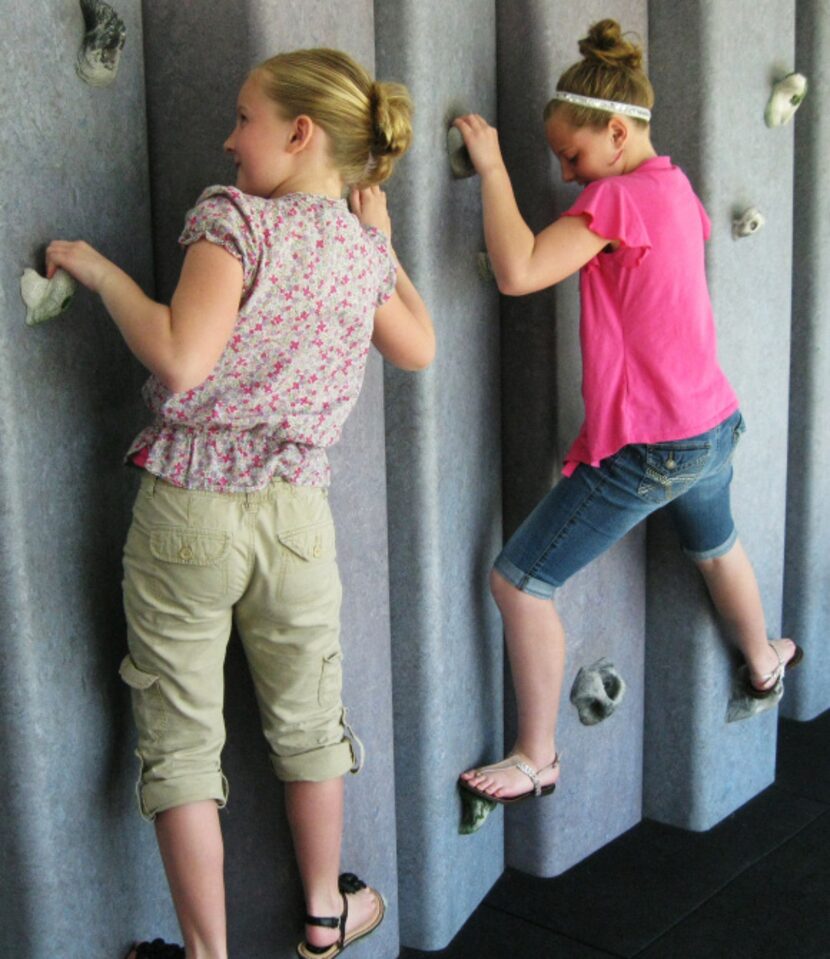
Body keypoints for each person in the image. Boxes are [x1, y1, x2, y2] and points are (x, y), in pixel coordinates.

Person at [47, 47, 433, 959]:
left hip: (189, 506)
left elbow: (181, 357)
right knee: (309, 723)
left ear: (301, 133)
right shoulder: (358, 251)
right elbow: (417, 347)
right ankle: (324, 915)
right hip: (297, 516)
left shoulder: (234, 221)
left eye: (244, 117)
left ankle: (208, 955)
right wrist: (382, 240)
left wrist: (102, 275)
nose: (228, 138)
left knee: (181, 740)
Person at [453, 19, 801, 806]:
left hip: (656, 446)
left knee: (519, 584)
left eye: (572, 157)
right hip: (714, 424)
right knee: (718, 548)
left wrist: (493, 168)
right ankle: (764, 657)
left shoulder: (617, 198)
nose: (570, 177)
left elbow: (518, 270)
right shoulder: (674, 187)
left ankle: (538, 754)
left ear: (616, 133)